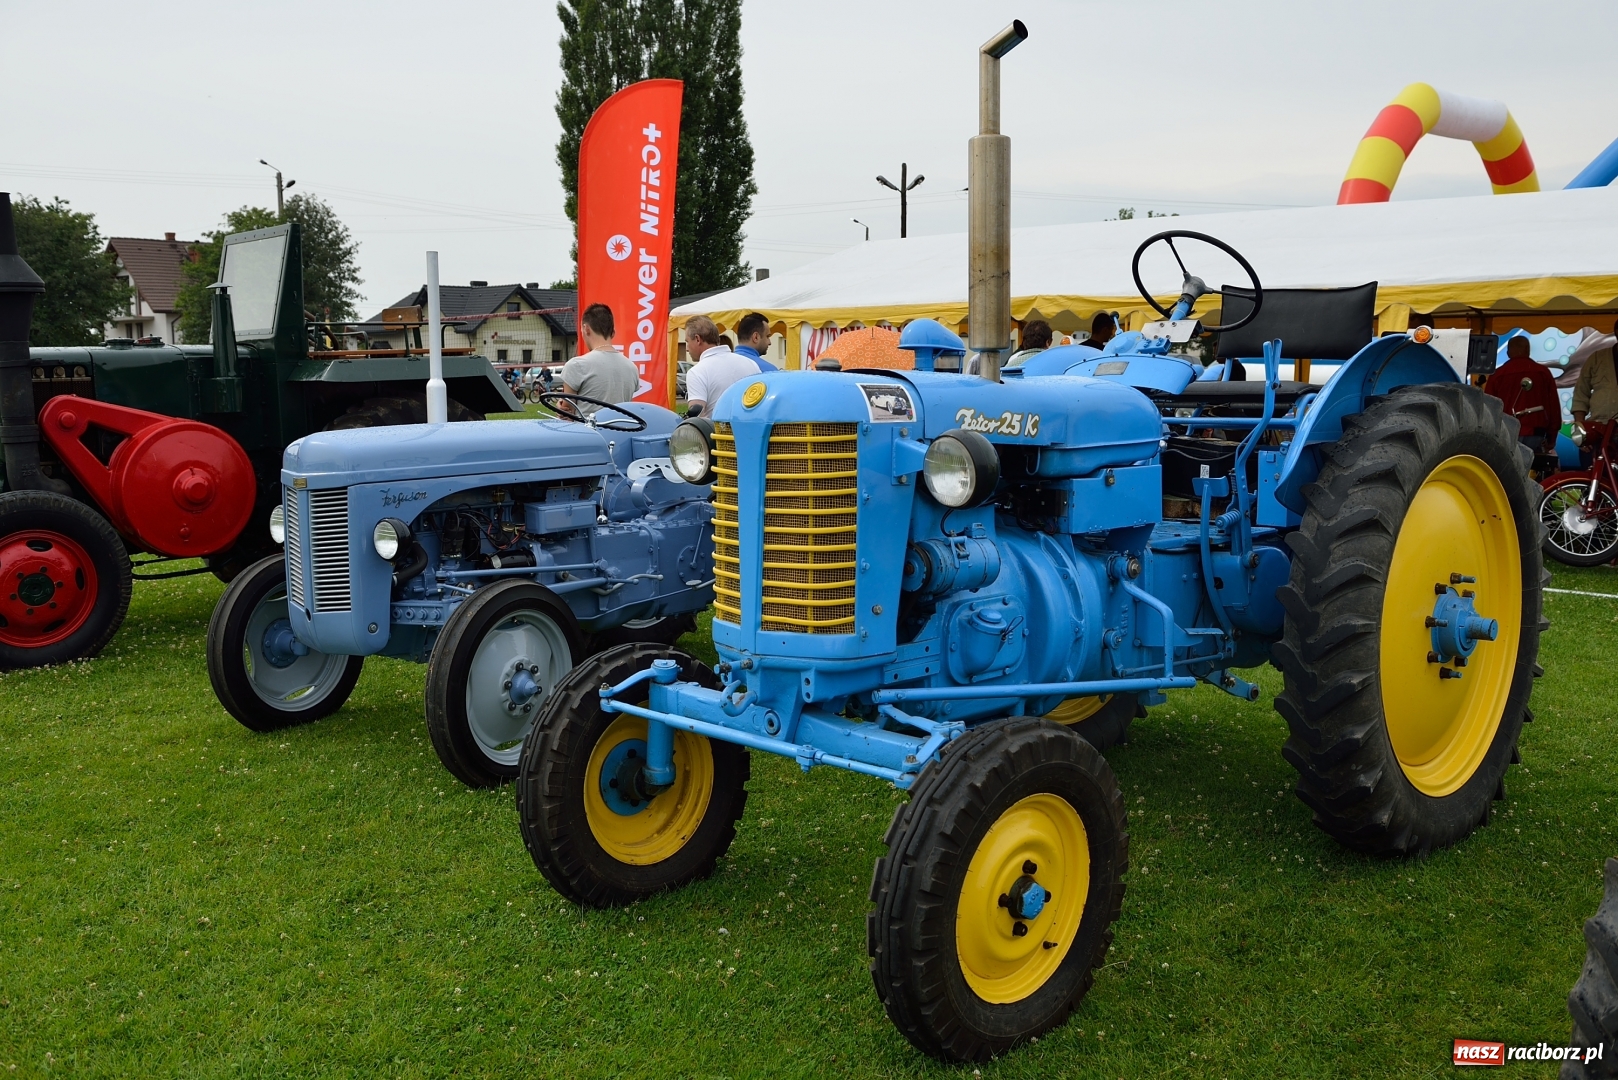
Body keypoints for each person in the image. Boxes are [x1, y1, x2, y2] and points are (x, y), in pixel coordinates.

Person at [558, 303, 638, 418]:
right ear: (613, 333)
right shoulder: (632, 368)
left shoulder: (576, 365)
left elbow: (566, 412)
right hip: (621, 434)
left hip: (587, 434)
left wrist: (559, 404)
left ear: (586, 329)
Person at [1484, 335, 1562, 451]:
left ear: (1508, 353)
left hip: (1507, 434)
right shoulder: (1543, 373)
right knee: (1534, 467)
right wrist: (1552, 437)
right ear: (1527, 350)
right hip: (1536, 434)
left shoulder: (1497, 375)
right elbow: (1554, 407)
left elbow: (1489, 409)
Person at [683, 315, 759, 417]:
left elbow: (696, 419)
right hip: (752, 431)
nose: (687, 349)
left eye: (687, 342)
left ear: (697, 339)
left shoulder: (697, 372)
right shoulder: (751, 364)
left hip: (716, 431)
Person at [1572, 317, 1618, 430]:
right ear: (1616, 332)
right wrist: (1581, 427)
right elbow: (1581, 394)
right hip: (1599, 427)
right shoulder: (1597, 358)